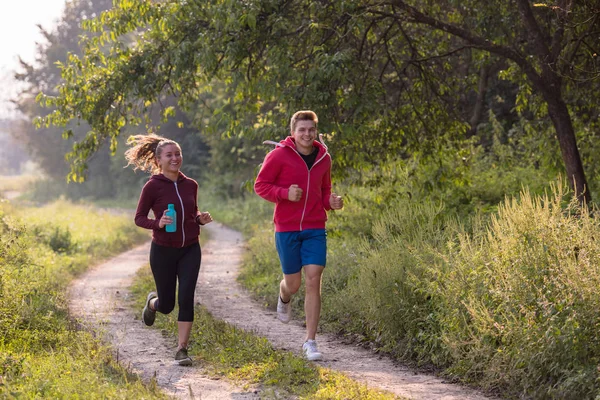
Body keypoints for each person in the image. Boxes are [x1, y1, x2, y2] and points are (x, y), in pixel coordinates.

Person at [254, 110, 343, 361]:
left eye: (311, 130)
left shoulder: (324, 158)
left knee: (314, 279)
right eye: (302, 130)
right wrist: (284, 193)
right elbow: (260, 185)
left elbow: (324, 190)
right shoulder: (279, 155)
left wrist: (331, 201)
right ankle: (283, 295)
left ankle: (310, 341)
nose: (306, 134)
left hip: (315, 228)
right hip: (287, 228)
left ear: (316, 132)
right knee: (293, 284)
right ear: (293, 132)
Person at [124, 133, 213, 366]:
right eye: (169, 155)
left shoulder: (191, 185)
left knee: (186, 298)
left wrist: (199, 218)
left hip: (190, 249)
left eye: (178, 154)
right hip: (163, 250)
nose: (175, 158)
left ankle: (182, 349)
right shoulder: (152, 187)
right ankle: (152, 303)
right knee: (167, 305)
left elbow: (192, 211)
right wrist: (158, 224)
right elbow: (139, 218)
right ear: (159, 160)